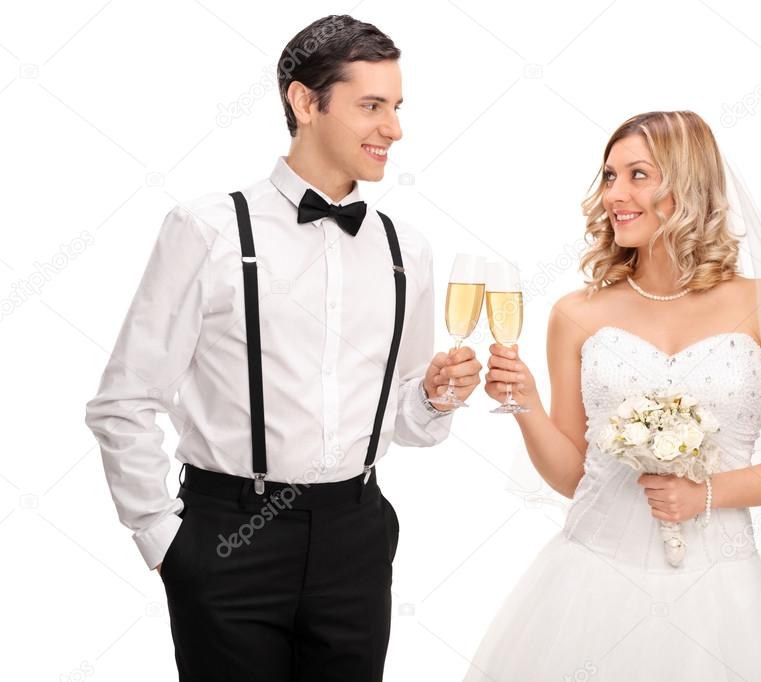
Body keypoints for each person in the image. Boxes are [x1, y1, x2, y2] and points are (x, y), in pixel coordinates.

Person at [84, 15, 481, 681]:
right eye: (371, 106)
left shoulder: (403, 247)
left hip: (357, 533)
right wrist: (165, 542)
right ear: (305, 102)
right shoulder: (206, 229)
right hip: (227, 537)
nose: (395, 129)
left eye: (397, 107)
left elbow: (408, 423)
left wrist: (437, 395)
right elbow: (122, 402)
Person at [471, 110, 761, 679]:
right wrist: (524, 404)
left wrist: (704, 494)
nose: (616, 194)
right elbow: (571, 476)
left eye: (638, 175)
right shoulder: (575, 314)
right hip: (590, 583)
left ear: (687, 185)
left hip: (720, 590)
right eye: (609, 176)